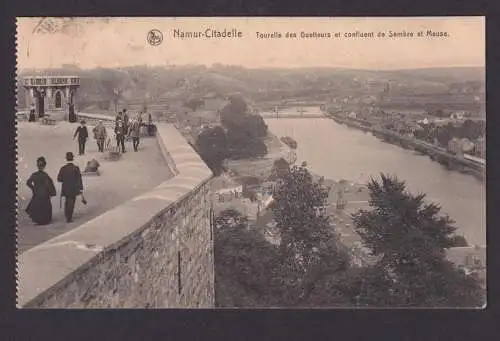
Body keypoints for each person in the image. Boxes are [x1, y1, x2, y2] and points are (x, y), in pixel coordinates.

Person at [25, 157, 57, 225]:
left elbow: (28, 182)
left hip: (37, 194)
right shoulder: (45, 175)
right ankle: (44, 220)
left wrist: (33, 188)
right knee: (45, 208)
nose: (41, 167)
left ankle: (39, 220)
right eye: (41, 165)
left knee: (38, 206)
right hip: (44, 194)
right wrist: (51, 193)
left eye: (40, 165)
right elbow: (49, 185)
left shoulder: (34, 175)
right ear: (44, 166)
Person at [57, 152, 84, 223]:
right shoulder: (76, 168)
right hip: (74, 189)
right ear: (73, 158)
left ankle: (67, 215)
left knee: (67, 201)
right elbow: (79, 179)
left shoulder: (63, 168)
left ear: (66, 158)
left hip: (66, 188)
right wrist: (80, 188)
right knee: (71, 202)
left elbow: (59, 179)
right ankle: (69, 216)